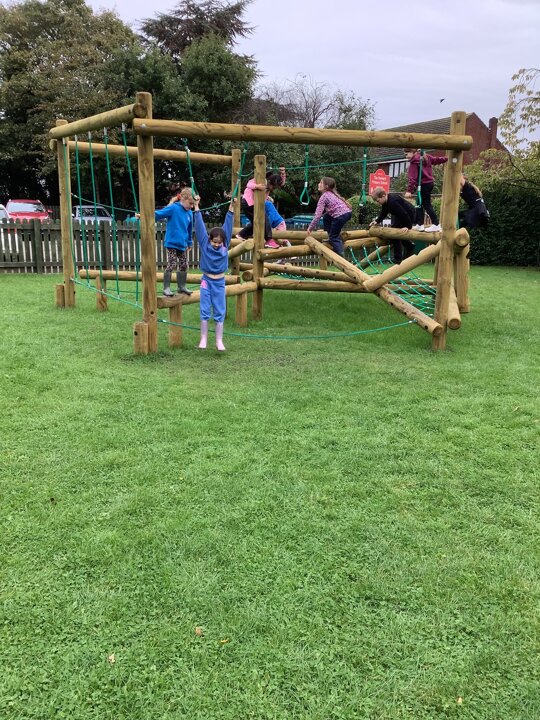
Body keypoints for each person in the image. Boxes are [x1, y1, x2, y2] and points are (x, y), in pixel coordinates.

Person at [193, 195, 236, 352]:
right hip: (206, 281)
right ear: (209, 240)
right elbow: (199, 226)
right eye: (214, 241)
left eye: (219, 242)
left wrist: (231, 207)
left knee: (219, 310)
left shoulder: (225, 245)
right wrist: (196, 206)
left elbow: (228, 225)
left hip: (219, 282)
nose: (216, 244)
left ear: (223, 242)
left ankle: (219, 340)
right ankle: (203, 339)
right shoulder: (205, 244)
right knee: (205, 309)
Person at [153, 188, 195, 297]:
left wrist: (189, 242)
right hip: (172, 243)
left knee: (184, 264)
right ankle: (166, 288)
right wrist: (144, 215)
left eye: (193, 204)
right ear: (183, 199)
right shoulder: (174, 208)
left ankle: (181, 287)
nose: (192, 206)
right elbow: (159, 214)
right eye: (190, 203)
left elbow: (189, 229)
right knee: (172, 264)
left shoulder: (190, 213)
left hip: (182, 244)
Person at [237, 167, 286, 246]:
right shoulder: (262, 181)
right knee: (263, 218)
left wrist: (283, 174)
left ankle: (242, 235)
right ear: (269, 182)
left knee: (257, 222)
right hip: (248, 203)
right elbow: (249, 184)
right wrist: (257, 186)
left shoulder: (269, 186)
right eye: (273, 187)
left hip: (252, 204)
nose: (273, 189)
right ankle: (269, 240)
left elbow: (282, 184)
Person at [306, 177, 352, 256]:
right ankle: (331, 237)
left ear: (326, 186)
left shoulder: (324, 197)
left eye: (321, 183)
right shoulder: (332, 194)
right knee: (326, 217)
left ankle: (341, 256)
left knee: (334, 237)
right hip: (347, 213)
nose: (318, 184)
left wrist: (310, 228)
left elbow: (317, 215)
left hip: (340, 216)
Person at [404, 149, 448, 232]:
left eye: (407, 154)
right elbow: (436, 160)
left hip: (423, 185)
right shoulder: (425, 157)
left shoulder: (414, 163)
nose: (406, 156)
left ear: (413, 153)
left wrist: (409, 191)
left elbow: (412, 179)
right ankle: (420, 224)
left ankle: (436, 224)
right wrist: (446, 159)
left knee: (426, 204)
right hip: (429, 183)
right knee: (419, 204)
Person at [370, 187, 416, 264]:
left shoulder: (393, 202)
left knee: (395, 234)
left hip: (409, 213)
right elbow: (383, 213)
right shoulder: (386, 202)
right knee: (394, 233)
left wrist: (408, 226)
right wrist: (377, 221)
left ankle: (398, 258)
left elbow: (404, 214)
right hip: (400, 215)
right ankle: (409, 246)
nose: (378, 203)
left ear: (383, 196)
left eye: (378, 201)